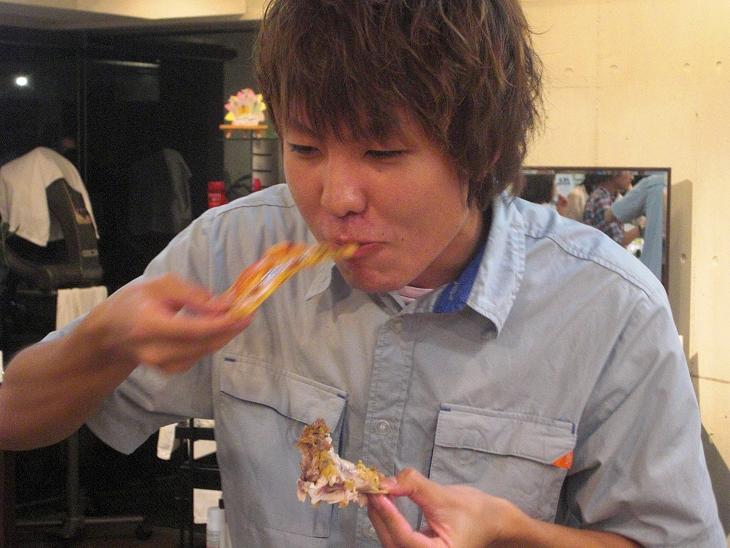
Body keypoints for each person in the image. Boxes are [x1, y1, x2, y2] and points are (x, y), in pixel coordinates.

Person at [0, 1, 724, 547]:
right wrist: (103, 340)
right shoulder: (235, 250)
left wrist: (515, 536)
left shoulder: (607, 304)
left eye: (383, 154)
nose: (336, 198)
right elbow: (15, 420)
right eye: (305, 148)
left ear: (479, 151)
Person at [582, 170, 642, 247]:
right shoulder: (602, 199)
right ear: (614, 173)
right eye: (629, 172)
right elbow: (617, 242)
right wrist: (642, 229)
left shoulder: (608, 197)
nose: (632, 177)